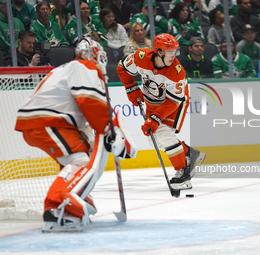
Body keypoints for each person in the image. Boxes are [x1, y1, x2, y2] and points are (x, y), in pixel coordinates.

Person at [14, 38, 135, 232]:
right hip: (49, 121)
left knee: (79, 153)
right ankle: (58, 207)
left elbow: (80, 107)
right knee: (81, 161)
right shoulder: (84, 67)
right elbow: (90, 102)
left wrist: (105, 129)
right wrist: (109, 130)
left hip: (42, 120)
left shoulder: (63, 69)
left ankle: (80, 195)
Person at [117, 33, 205, 190]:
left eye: (174, 51)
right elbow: (122, 67)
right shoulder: (140, 57)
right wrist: (130, 87)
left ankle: (183, 172)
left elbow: (174, 101)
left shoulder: (176, 71)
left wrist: (156, 118)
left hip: (174, 102)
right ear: (158, 51)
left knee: (163, 131)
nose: (173, 55)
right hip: (152, 101)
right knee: (153, 139)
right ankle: (189, 153)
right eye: (169, 51)